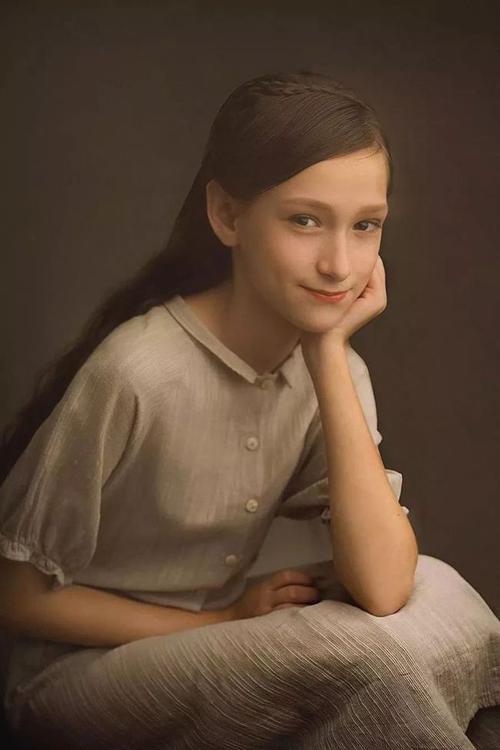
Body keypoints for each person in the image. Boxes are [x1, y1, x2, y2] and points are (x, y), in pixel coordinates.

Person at [0, 69, 498, 750]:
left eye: (365, 226)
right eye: (304, 220)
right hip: (81, 674)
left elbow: (384, 586)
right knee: (357, 654)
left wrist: (326, 352)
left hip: (220, 640)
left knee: (439, 593)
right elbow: (15, 597)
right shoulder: (138, 370)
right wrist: (222, 622)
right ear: (228, 216)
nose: (339, 264)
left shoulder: (335, 368)